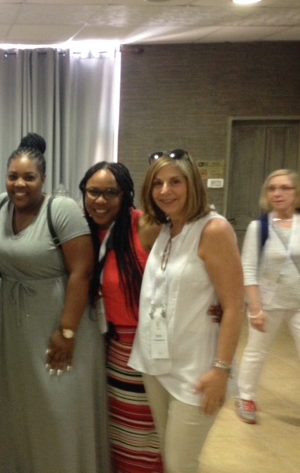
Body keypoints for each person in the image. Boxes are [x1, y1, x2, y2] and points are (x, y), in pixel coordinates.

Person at [0, 133, 110, 473]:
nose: (20, 184)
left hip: (58, 322)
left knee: (58, 408)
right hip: (13, 326)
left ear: (43, 179)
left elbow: (81, 272)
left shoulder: (62, 208)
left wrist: (66, 332)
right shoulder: (0, 206)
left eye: (29, 177)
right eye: (13, 176)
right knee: (20, 408)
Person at [129, 149, 244, 473]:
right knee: (171, 458)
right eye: (158, 184)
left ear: (192, 183)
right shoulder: (165, 230)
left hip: (197, 371)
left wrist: (221, 371)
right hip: (156, 364)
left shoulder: (213, 230)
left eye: (175, 182)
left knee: (181, 463)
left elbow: (235, 305)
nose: (165, 191)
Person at [79, 161, 163, 473]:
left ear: (125, 194)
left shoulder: (146, 226)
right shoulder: (83, 230)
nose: (100, 201)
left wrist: (217, 303)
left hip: (145, 346)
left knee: (142, 432)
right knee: (116, 430)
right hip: (106, 343)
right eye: (93, 192)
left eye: (110, 193)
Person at [235, 169, 300, 424]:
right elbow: (248, 268)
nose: (278, 193)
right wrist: (255, 308)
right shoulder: (258, 227)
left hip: (298, 302)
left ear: (295, 193)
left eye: (285, 188)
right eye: (272, 188)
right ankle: (246, 396)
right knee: (256, 351)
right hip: (269, 301)